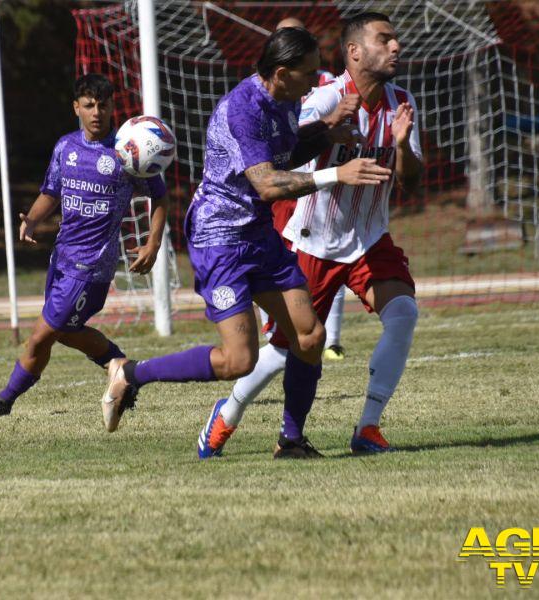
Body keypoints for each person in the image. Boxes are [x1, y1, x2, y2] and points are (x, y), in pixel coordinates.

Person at [99, 27, 391, 458]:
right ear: (280, 72)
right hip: (219, 239)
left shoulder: (288, 100)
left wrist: (325, 134)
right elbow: (268, 184)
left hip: (257, 234)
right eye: (308, 72)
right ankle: (131, 373)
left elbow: (284, 155)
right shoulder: (243, 110)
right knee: (240, 361)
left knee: (309, 337)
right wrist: (335, 173)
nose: (317, 80)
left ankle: (291, 441)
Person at [207, 12, 422, 456]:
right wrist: (325, 134)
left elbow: (412, 180)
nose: (396, 47)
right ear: (355, 52)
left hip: (369, 238)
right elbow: (277, 159)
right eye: (385, 39)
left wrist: (401, 146)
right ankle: (227, 415)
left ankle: (368, 426)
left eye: (396, 39)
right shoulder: (321, 97)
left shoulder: (402, 101)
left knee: (402, 314)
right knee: (287, 350)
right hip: (313, 239)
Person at [0, 74, 169, 418]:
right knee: (65, 332)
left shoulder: (128, 151)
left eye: (104, 105)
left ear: (113, 107)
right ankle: (123, 369)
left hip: (92, 269)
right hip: (62, 259)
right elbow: (51, 192)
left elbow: (161, 197)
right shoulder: (66, 147)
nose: (97, 112)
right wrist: (32, 220)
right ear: (76, 108)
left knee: (39, 337)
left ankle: (2, 402)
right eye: (90, 105)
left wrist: (152, 243)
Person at [275, 15, 346, 361]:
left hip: (318, 181)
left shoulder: (328, 82)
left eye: (295, 35)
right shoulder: (265, 87)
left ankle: (331, 339)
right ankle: (274, 333)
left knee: (332, 252)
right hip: (280, 184)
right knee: (273, 259)